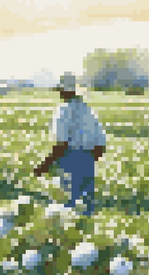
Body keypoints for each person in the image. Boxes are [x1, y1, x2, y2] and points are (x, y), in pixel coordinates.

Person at [34, 72, 107, 216]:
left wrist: (44, 165)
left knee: (68, 208)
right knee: (85, 206)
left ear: (63, 91)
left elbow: (61, 144)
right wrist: (87, 161)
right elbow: (100, 145)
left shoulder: (63, 111)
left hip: (69, 160)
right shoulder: (88, 110)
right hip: (88, 161)